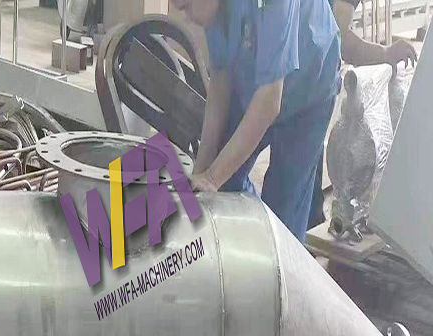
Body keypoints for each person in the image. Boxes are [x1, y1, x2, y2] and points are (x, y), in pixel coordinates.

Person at [172, 0, 341, 242]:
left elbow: (269, 102)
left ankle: (273, 252)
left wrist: (211, 178)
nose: (186, 17)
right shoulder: (215, 11)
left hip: (310, 90)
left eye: (186, 6)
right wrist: (200, 174)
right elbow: (220, 85)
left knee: (283, 219)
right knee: (223, 187)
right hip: (255, 83)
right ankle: (250, 243)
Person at [307, 0, 418, 228]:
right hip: (304, 80)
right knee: (298, 181)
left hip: (293, 70)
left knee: (302, 181)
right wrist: (385, 52)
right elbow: (339, 38)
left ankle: (307, 223)